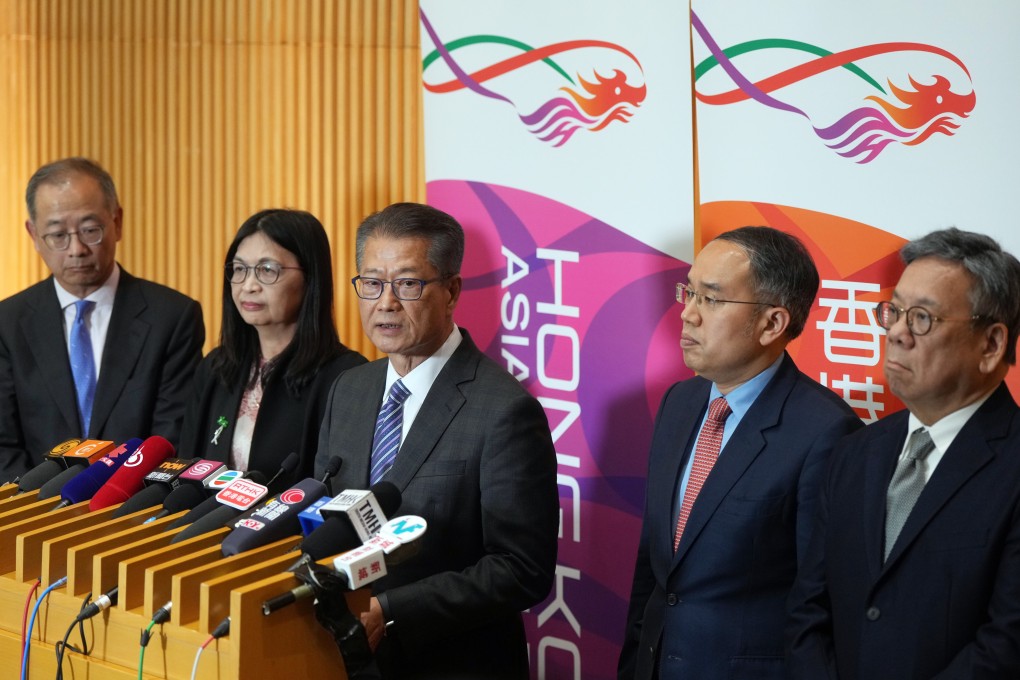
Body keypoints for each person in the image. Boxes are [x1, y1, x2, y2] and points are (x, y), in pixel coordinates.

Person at [312, 202, 558, 679]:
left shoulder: (503, 410)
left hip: (451, 662)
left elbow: (521, 568)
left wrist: (391, 608)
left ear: (451, 290)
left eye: (407, 284)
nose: (385, 302)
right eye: (372, 283)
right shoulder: (350, 389)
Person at [618, 226, 863, 680]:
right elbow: (654, 573)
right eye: (687, 292)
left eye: (710, 299)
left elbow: (821, 606)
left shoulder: (825, 432)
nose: (687, 314)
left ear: (772, 323)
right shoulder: (679, 402)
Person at [787, 228, 1020, 679]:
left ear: (991, 344)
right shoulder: (855, 452)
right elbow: (808, 609)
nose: (895, 333)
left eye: (922, 318)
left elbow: (1006, 645)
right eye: (893, 312)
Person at [0, 157, 205, 483]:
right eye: (58, 235)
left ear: (117, 222)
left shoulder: (172, 317)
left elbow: (170, 439)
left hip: (130, 511)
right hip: (32, 511)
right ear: (34, 234)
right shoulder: (8, 323)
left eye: (90, 230)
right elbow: (3, 445)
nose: (77, 249)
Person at [178, 209, 365, 490]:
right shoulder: (215, 368)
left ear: (310, 278)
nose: (248, 286)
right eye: (239, 269)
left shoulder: (347, 377)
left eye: (267, 270)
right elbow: (186, 472)